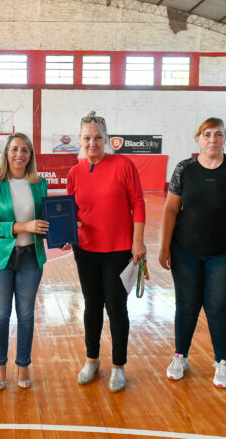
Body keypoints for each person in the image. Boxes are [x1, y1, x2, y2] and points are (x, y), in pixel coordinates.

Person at [159, 117, 226, 389]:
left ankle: (222, 361)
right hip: (185, 252)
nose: (212, 139)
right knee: (186, 306)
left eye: (218, 134)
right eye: (207, 134)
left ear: (225, 138)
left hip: (224, 254)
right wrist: (165, 246)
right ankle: (180, 357)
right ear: (198, 138)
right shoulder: (184, 169)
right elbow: (170, 210)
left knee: (218, 308)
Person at [64, 111, 146, 393]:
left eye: (98, 137)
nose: (92, 143)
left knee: (116, 308)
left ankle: (119, 365)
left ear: (106, 139)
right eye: (87, 138)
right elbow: (71, 212)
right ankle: (92, 359)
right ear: (79, 139)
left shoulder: (123, 165)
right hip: (86, 250)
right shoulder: (75, 172)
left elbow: (138, 203)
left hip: (118, 250)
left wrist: (138, 241)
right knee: (91, 307)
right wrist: (66, 234)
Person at [0, 133, 48, 391]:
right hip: (0, 259)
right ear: (6, 154)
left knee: (26, 314)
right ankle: (0, 364)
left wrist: (62, 235)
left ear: (30, 155)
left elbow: (45, 221)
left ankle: (23, 364)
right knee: (1, 314)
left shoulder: (39, 184)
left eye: (25, 150)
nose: (20, 155)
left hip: (31, 258)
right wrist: (24, 226)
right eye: (15, 150)